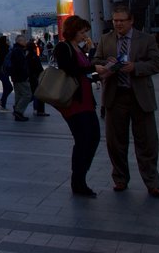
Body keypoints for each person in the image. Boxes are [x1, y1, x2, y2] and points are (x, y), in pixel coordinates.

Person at [94, 4, 159, 198]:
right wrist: (104, 65)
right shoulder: (106, 39)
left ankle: (152, 182)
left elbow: (158, 63)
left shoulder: (146, 39)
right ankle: (120, 179)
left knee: (147, 141)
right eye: (115, 21)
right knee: (115, 142)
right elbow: (95, 60)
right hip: (115, 96)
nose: (118, 24)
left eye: (121, 21)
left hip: (139, 95)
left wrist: (135, 67)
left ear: (131, 20)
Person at [53, 15, 100, 197]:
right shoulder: (63, 47)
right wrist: (93, 68)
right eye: (82, 32)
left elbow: (86, 72)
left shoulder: (78, 49)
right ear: (73, 31)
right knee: (83, 140)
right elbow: (70, 70)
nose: (84, 35)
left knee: (93, 138)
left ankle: (80, 177)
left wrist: (100, 70)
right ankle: (78, 181)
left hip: (86, 100)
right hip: (74, 102)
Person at [8, 35, 32, 122]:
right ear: (20, 41)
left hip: (15, 77)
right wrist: (25, 75)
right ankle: (18, 111)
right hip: (21, 77)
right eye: (24, 40)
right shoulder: (19, 51)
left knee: (19, 94)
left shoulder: (15, 50)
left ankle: (18, 112)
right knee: (27, 94)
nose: (26, 42)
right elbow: (20, 66)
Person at [0, 34, 12, 111]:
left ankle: (2, 103)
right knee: (8, 87)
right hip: (3, 71)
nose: (8, 42)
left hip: (1, 71)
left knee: (6, 88)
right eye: (7, 40)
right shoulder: (5, 49)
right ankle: (2, 102)